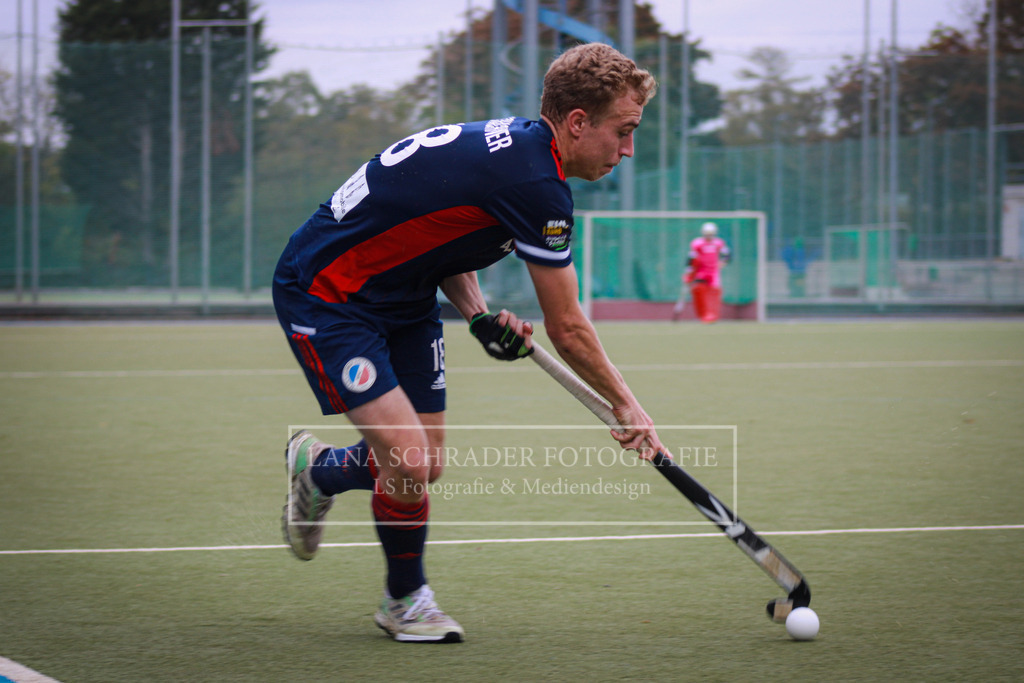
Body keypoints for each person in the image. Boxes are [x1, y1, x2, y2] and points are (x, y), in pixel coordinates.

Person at [272, 42, 664, 644]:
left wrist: (478, 315)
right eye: (625, 131)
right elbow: (568, 328)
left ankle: (320, 470)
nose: (629, 149)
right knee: (410, 460)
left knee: (422, 462)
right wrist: (627, 407)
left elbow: (442, 233)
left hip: (404, 295)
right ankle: (405, 601)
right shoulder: (536, 181)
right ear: (579, 123)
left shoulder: (522, 154)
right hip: (329, 294)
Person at [675, 222, 730, 323]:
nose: (709, 236)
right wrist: (689, 271)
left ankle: (712, 315)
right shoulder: (697, 243)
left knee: (714, 293)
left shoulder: (719, 243)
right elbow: (691, 258)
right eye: (707, 233)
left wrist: (723, 262)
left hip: (714, 273)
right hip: (701, 272)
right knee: (699, 290)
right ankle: (703, 314)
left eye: (711, 234)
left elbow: (726, 254)